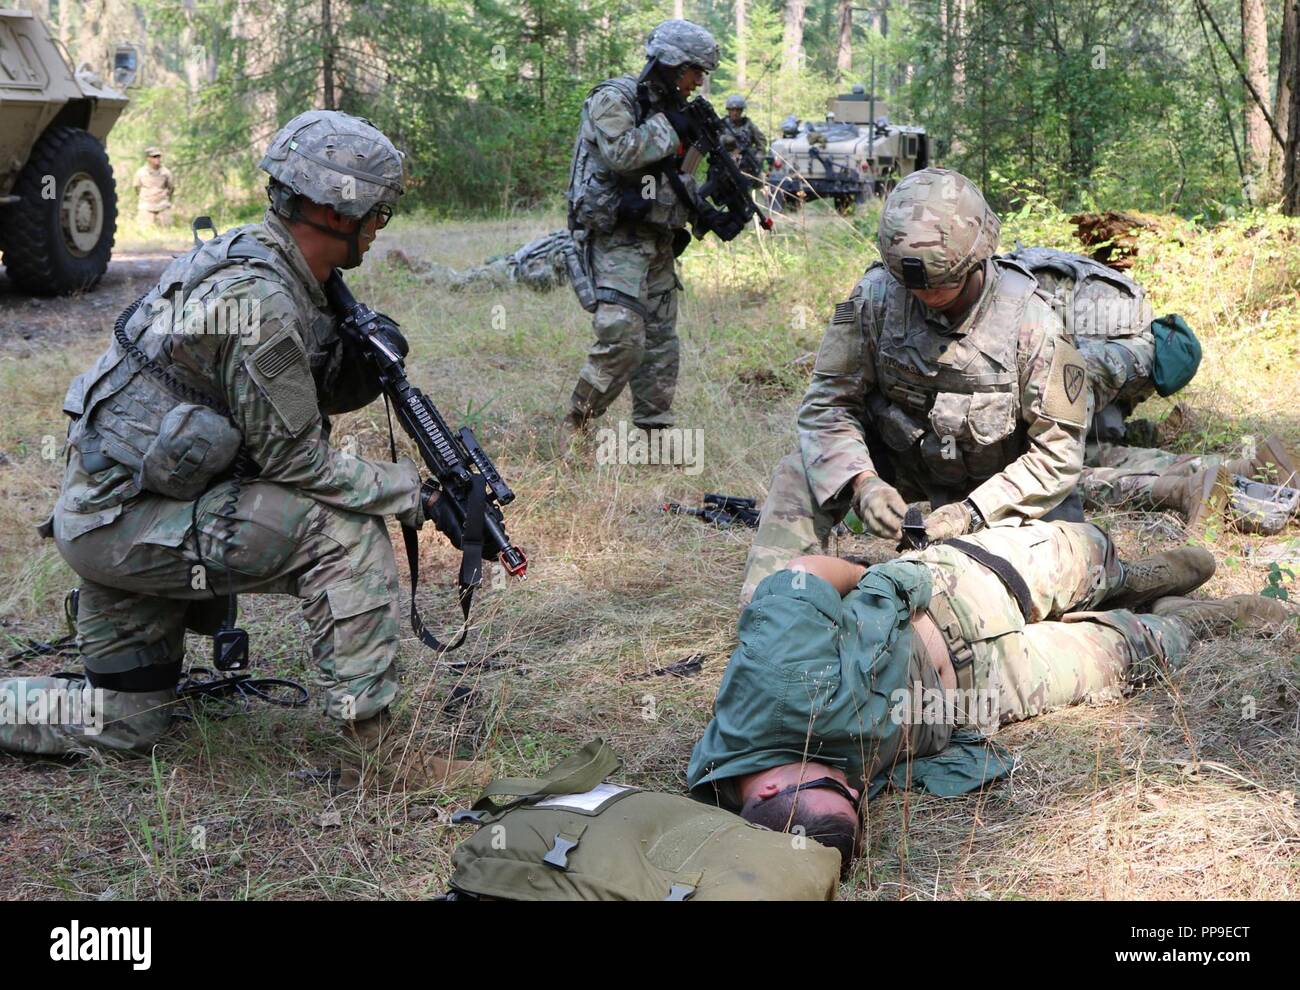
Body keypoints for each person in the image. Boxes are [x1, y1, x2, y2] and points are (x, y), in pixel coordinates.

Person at [1, 111, 472, 791]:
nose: (378, 224)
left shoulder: (261, 257)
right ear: (325, 208)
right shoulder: (261, 298)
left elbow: (270, 404)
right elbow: (299, 464)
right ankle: (383, 762)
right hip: (123, 523)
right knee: (340, 530)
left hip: (130, 507)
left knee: (131, 722)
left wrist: (352, 364)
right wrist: (417, 496)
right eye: (375, 209)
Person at [690, 519, 1295, 866]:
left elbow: (802, 575)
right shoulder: (781, 814)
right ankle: (1197, 617)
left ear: (769, 784)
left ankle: (1133, 580)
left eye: (835, 785)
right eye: (857, 798)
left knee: (1088, 553)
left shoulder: (776, 684)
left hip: (955, 596)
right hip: (986, 691)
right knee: (1141, 652)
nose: (854, 783)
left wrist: (877, 576)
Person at [740, 167, 1090, 604]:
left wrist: (973, 512)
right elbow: (827, 407)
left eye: (941, 287)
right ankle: (773, 615)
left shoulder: (1034, 325)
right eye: (910, 287)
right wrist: (863, 482)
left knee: (1040, 583)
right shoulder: (874, 298)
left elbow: (1057, 455)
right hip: (905, 465)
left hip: (1002, 492)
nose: (923, 298)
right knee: (799, 474)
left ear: (975, 259)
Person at [558, 18, 745, 448]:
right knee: (622, 333)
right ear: (671, 63)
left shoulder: (674, 110)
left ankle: (654, 433)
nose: (700, 80)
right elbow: (621, 153)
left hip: (660, 241)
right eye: (695, 70)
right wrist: (672, 127)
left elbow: (678, 179)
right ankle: (577, 424)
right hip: (616, 238)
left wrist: (710, 216)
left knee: (661, 343)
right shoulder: (615, 98)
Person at [720, 94, 767, 184]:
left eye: (738, 110)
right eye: (732, 110)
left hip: (746, 166)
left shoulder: (749, 125)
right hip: (726, 163)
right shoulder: (722, 125)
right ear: (728, 110)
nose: (735, 113)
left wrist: (758, 158)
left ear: (742, 111)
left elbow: (761, 142)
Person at [133, 146, 176, 227]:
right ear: (148, 158)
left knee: (167, 227)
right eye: (154, 157)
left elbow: (171, 187)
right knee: (144, 228)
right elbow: (136, 187)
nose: (157, 159)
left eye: (158, 156)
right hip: (146, 205)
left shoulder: (166, 172)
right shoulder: (140, 173)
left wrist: (164, 198)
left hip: (162, 205)